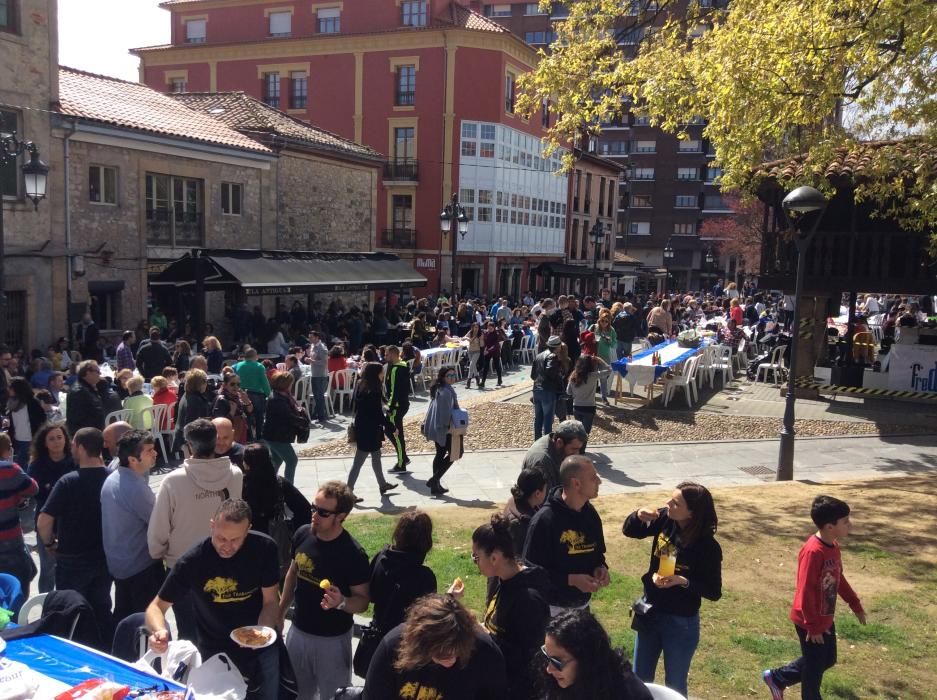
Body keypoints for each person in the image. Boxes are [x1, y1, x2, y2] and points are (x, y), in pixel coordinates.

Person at [146, 499, 280, 700]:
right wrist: (159, 632)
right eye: (221, 538)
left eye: (235, 539)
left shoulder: (265, 549)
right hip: (215, 651)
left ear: (248, 530)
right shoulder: (194, 560)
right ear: (212, 525)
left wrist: (261, 634)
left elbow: (270, 601)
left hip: (261, 647)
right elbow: (156, 607)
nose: (227, 546)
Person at [622, 481, 723, 697]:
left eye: (676, 503)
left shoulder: (708, 547)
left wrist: (683, 581)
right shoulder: (665, 519)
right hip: (651, 611)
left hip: (680, 623)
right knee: (638, 680)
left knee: (674, 686)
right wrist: (637, 515)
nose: (668, 504)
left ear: (692, 513)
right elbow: (629, 530)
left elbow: (714, 591)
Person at [148, 418, 243, 641]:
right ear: (215, 441)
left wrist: (157, 552)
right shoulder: (235, 474)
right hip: (225, 559)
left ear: (189, 446)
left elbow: (159, 527)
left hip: (183, 566)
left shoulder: (173, 481)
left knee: (188, 632)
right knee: (222, 626)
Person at [763, 495, 866, 700]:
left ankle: (778, 678)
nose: (850, 525)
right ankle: (785, 683)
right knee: (814, 671)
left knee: (827, 659)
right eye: (845, 521)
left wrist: (855, 604)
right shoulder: (813, 551)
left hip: (824, 615)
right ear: (829, 526)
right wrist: (812, 626)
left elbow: (838, 579)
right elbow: (805, 590)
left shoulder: (833, 547)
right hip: (809, 620)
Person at [279, 481, 371, 700]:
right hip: (298, 633)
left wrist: (341, 602)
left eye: (322, 512)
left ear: (341, 516)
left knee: (334, 696)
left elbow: (363, 601)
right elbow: (293, 573)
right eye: (313, 507)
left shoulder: (353, 554)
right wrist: (281, 612)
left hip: (332, 640)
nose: (314, 515)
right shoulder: (302, 534)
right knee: (297, 694)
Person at [37, 427, 114, 648]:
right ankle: (106, 652)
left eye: (73, 444)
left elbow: (44, 520)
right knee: (101, 608)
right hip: (104, 558)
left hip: (72, 560)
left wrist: (49, 543)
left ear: (80, 448)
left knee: (69, 613)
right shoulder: (113, 478)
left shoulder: (68, 481)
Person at [363, 593, 507, 700]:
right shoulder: (394, 646)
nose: (450, 660)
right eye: (441, 654)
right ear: (420, 645)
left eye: (457, 651)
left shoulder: (485, 651)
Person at [468, 513, 549, 700]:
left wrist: (486, 636)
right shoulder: (503, 580)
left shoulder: (529, 599)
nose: (476, 564)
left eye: (476, 557)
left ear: (494, 557)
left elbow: (528, 658)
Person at [523, 455, 609, 616]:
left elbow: (597, 555)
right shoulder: (544, 520)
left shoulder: (590, 515)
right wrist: (571, 580)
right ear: (576, 483)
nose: (599, 481)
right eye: (593, 478)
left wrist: (600, 568)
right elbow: (531, 573)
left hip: (582, 607)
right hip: (549, 610)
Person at [358, 511, 437, 676]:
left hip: (376, 642)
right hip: (404, 649)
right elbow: (427, 619)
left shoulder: (382, 559)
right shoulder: (424, 577)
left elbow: (371, 594)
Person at [100, 429, 165, 624]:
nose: (155, 453)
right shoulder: (134, 487)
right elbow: (158, 524)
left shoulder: (116, 474)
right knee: (142, 624)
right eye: (149, 450)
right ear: (133, 459)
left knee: (124, 616)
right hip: (140, 568)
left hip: (121, 564)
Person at [539, 608, 652, 700]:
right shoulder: (563, 683)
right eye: (547, 656)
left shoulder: (628, 693)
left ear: (586, 659)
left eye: (556, 661)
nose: (549, 669)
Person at [27, 421, 75, 593]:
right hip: (47, 523)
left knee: (70, 570)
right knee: (48, 571)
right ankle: (47, 605)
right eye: (52, 439)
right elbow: (36, 493)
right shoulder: (37, 465)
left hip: (71, 523)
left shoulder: (74, 461)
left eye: (60, 437)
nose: (56, 442)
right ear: (44, 443)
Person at [347, 362, 399, 497]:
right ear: (376, 374)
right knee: (359, 461)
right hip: (369, 429)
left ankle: (382, 485)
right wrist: (392, 427)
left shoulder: (361, 384)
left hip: (363, 426)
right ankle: (348, 492)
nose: (383, 374)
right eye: (382, 372)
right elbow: (376, 413)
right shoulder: (373, 389)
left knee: (376, 457)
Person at [0, 432, 38, 603]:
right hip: (9, 538)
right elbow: (32, 488)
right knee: (18, 584)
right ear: (8, 450)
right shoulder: (10, 470)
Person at [241, 442, 310, 536]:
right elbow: (304, 509)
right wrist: (292, 528)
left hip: (247, 536)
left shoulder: (241, 484)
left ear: (247, 465)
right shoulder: (279, 482)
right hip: (275, 536)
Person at [421, 365, 460, 496]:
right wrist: (450, 428)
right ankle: (434, 480)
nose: (452, 378)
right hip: (445, 429)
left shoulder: (440, 388)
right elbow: (444, 414)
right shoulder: (446, 392)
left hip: (437, 427)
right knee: (457, 453)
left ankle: (435, 486)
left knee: (440, 453)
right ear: (443, 377)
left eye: (453, 375)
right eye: (449, 375)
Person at [262, 371, 306, 483]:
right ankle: (289, 488)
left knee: (276, 460)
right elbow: (287, 417)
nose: (292, 385)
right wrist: (303, 421)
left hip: (275, 435)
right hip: (276, 436)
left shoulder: (281, 395)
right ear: (285, 384)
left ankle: (267, 483)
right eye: (291, 383)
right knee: (292, 460)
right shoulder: (277, 399)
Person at [521, 420, 588, 489]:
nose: (577, 454)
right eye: (574, 449)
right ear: (559, 442)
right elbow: (545, 498)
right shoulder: (543, 462)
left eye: (579, 449)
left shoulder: (555, 440)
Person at [503, 467, 548, 557]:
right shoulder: (518, 523)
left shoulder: (516, 501)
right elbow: (518, 556)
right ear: (538, 493)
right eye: (545, 489)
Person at [567, 355, 607, 451]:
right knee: (586, 431)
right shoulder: (594, 376)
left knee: (578, 429)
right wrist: (600, 360)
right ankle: (582, 450)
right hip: (589, 407)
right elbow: (609, 370)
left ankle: (576, 447)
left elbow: (568, 392)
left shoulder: (573, 376)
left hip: (577, 407)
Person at [531, 335, 567, 440]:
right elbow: (550, 372)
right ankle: (547, 443)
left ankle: (537, 441)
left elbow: (533, 375)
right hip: (547, 391)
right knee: (547, 419)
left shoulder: (539, 356)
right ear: (558, 346)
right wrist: (559, 375)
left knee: (538, 418)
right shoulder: (553, 356)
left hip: (536, 390)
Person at [7, 376, 46, 468]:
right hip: (16, 440)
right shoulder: (12, 402)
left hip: (29, 439)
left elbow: (42, 419)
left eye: (10, 387)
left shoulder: (32, 402)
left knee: (23, 465)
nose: (8, 389)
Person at [384, 345, 411, 474]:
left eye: (387, 354)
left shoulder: (395, 369)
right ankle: (403, 457)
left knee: (396, 434)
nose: (385, 357)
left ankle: (401, 463)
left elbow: (394, 390)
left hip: (397, 406)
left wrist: (390, 406)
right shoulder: (404, 366)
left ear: (394, 354)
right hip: (403, 403)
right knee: (389, 430)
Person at [172, 368, 213, 453]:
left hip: (184, 439)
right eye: (205, 381)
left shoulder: (187, 395)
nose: (207, 384)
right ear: (199, 383)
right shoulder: (195, 400)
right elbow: (191, 423)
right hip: (192, 442)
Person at [235, 347, 271, 440]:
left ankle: (247, 436)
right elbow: (264, 382)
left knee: (245, 417)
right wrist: (269, 394)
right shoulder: (259, 366)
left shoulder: (236, 366)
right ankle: (259, 437)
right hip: (257, 395)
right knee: (259, 417)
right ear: (255, 356)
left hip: (242, 394)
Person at [212, 371, 254, 445]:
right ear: (225, 385)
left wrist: (247, 401)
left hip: (242, 435)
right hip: (228, 438)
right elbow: (218, 422)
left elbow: (249, 411)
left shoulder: (239, 398)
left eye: (238, 384)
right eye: (232, 384)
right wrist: (231, 412)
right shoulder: (221, 400)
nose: (236, 387)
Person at [307, 331, 330, 424]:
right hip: (314, 373)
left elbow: (324, 363)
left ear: (317, 337)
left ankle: (322, 417)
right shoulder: (313, 346)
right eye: (309, 337)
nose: (310, 339)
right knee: (317, 396)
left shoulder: (322, 348)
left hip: (320, 375)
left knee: (319, 396)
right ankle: (318, 414)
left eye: (311, 337)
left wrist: (312, 361)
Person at [479, 320, 504, 388]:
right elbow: (485, 342)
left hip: (495, 351)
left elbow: (495, 345)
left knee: (497, 365)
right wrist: (485, 349)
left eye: (491, 328)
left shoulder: (497, 334)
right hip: (488, 351)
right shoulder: (486, 333)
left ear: (494, 327)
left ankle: (499, 380)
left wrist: (488, 351)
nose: (489, 329)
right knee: (486, 366)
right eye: (488, 328)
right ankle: (483, 382)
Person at [464, 322, 482, 389]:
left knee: (471, 365)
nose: (476, 329)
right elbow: (464, 337)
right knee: (473, 366)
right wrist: (468, 339)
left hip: (477, 351)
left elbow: (482, 343)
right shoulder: (470, 332)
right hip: (470, 351)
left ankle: (468, 381)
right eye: (475, 327)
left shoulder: (480, 334)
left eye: (477, 327)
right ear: (472, 327)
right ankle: (477, 379)